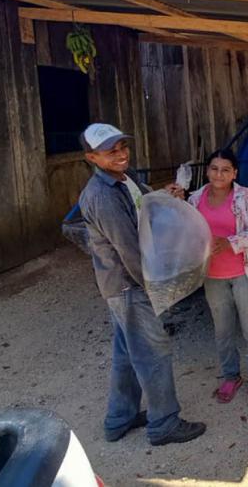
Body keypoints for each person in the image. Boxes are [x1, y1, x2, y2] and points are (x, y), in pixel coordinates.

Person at [78, 123, 206, 446]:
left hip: (120, 286)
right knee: (153, 352)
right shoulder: (102, 196)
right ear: (92, 157)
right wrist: (155, 288)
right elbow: (129, 250)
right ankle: (164, 423)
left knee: (126, 352)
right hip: (127, 286)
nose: (121, 154)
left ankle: (118, 419)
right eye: (111, 151)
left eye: (123, 146)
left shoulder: (124, 177)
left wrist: (165, 193)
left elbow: (143, 201)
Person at [187, 149, 248, 412]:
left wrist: (230, 242)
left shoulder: (245, 197)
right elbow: (183, 225)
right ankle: (231, 376)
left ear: (235, 173)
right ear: (207, 170)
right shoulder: (196, 197)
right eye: (214, 168)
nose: (218, 174)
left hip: (244, 273)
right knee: (222, 331)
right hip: (212, 275)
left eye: (225, 169)